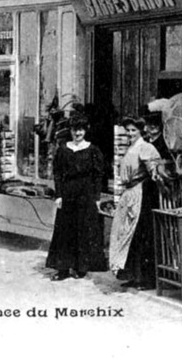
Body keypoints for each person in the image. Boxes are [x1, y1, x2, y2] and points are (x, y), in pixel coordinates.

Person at [45, 115, 106, 281]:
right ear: (70, 131)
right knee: (65, 230)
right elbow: (57, 173)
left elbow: (98, 176)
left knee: (83, 229)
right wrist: (58, 195)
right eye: (74, 129)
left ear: (85, 131)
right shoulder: (63, 149)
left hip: (85, 194)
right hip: (68, 193)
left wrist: (97, 197)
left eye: (80, 129)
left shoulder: (93, 150)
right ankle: (63, 268)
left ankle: (81, 266)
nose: (77, 133)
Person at [109, 116, 161, 289]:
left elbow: (154, 170)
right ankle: (132, 275)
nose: (130, 134)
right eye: (128, 131)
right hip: (129, 193)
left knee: (140, 236)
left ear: (140, 131)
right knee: (127, 236)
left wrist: (153, 173)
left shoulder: (146, 147)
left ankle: (145, 279)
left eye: (133, 130)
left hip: (141, 195)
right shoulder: (131, 147)